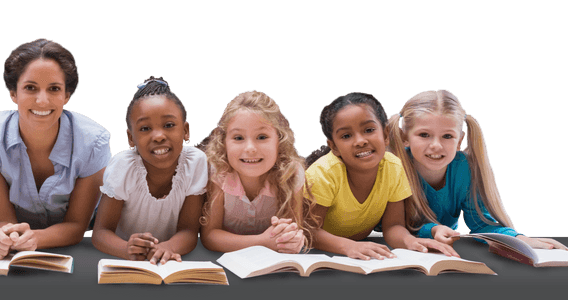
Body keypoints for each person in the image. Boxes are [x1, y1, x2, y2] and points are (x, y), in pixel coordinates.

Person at [0, 38, 111, 259]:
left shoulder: (94, 142)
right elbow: (2, 220)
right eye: (30, 88)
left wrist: (35, 239)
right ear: (13, 93)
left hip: (74, 249)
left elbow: (76, 226)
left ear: (67, 95)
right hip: (17, 249)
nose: (42, 101)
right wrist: (5, 238)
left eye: (54, 89)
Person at [387, 89, 567, 250]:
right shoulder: (393, 165)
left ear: (459, 141)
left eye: (447, 136)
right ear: (405, 137)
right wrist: (432, 230)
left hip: (444, 248)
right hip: (393, 246)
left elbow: (482, 224)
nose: (436, 145)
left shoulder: (464, 168)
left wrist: (519, 239)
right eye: (424, 135)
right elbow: (393, 225)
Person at [304, 91, 456, 260]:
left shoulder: (393, 167)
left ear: (385, 135)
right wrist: (349, 246)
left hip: (359, 252)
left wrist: (410, 241)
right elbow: (309, 230)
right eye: (346, 136)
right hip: (317, 254)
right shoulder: (323, 174)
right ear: (334, 147)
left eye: (369, 130)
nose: (360, 141)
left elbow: (392, 227)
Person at [91, 77, 207, 264]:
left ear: (186, 131)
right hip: (127, 260)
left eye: (169, 125)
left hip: (167, 259)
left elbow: (189, 231)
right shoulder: (123, 166)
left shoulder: (195, 163)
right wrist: (125, 249)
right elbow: (100, 233)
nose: (159, 136)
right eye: (145, 128)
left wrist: (167, 248)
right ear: (131, 139)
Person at [199, 90, 311, 254]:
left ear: (279, 141)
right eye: (238, 138)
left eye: (262, 137)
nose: (250, 148)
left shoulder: (292, 174)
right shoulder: (219, 172)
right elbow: (210, 236)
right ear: (224, 143)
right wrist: (261, 242)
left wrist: (291, 240)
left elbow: (291, 230)